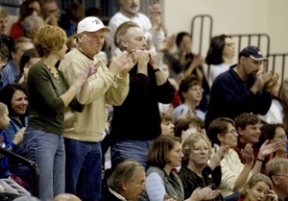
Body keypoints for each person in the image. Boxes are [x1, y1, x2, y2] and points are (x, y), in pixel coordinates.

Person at [59, 16, 133, 201]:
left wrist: (122, 75)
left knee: (92, 195)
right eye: (93, 36)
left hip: (94, 138)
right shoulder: (73, 60)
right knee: (70, 194)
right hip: (73, 137)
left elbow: (115, 99)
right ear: (79, 37)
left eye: (101, 37)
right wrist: (111, 72)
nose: (99, 41)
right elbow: (83, 97)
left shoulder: (96, 60)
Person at [22, 25, 96, 201]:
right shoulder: (38, 70)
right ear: (54, 45)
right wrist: (77, 83)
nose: (66, 47)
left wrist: (85, 81)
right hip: (40, 135)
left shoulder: (58, 73)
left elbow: (78, 105)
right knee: (45, 194)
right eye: (63, 44)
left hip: (57, 135)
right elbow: (55, 105)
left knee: (59, 195)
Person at [110, 21, 175, 169]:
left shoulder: (148, 65)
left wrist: (155, 66)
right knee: (132, 189)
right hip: (129, 143)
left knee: (153, 189)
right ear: (125, 43)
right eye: (139, 39)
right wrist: (141, 65)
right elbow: (136, 92)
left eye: (144, 38)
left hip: (154, 142)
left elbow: (167, 95)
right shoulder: (116, 66)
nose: (145, 43)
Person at [205, 46, 278, 128]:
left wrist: (267, 91)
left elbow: (262, 110)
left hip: (241, 129)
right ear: (242, 60)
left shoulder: (252, 80)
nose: (258, 68)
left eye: (260, 63)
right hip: (220, 129)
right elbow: (233, 109)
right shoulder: (224, 80)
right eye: (255, 62)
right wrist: (254, 89)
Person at [145, 135, 219, 201]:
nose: (182, 155)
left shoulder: (175, 177)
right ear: (166, 153)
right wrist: (192, 199)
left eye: (205, 149)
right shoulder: (154, 176)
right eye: (178, 151)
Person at [179, 132, 226, 200]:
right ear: (188, 153)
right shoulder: (182, 177)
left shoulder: (206, 177)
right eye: (197, 149)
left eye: (205, 149)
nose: (202, 152)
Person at [0, 102, 30, 197]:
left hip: (6, 175)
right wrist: (15, 141)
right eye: (7, 116)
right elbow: (2, 153)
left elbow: (9, 150)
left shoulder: (2, 133)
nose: (9, 119)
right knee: (15, 196)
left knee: (27, 195)